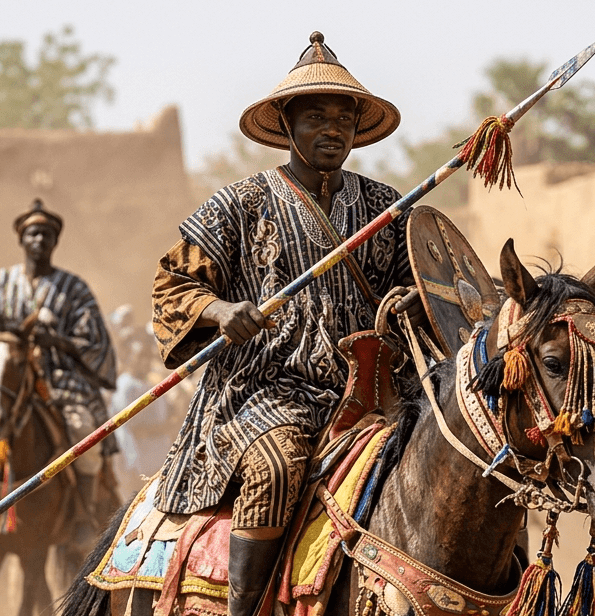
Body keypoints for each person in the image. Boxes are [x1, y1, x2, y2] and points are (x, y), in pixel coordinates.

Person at [151, 32, 420, 616]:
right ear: (287, 123)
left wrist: (410, 307)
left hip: (370, 393)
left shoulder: (389, 209)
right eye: (316, 116)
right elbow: (171, 284)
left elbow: (425, 296)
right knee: (277, 468)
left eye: (344, 118)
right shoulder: (238, 203)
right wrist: (220, 311)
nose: (333, 129)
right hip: (263, 396)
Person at [0, 199, 118, 547]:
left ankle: (81, 515)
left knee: (82, 430)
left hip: (58, 380)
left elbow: (95, 343)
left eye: (46, 234)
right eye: (33, 233)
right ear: (21, 239)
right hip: (2, 379)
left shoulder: (74, 289)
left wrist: (58, 341)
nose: (39, 239)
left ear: (55, 241)